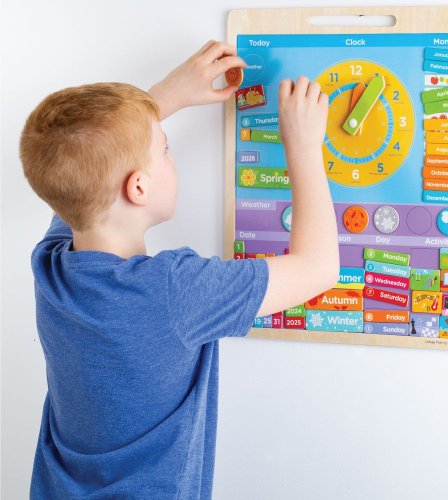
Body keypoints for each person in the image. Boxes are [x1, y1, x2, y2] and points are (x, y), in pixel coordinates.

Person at [20, 39, 339, 499]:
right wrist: (304, 146)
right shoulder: (175, 291)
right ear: (139, 188)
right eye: (165, 149)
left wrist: (163, 98)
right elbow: (318, 267)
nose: (171, 155)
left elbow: (80, 179)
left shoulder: (51, 267)